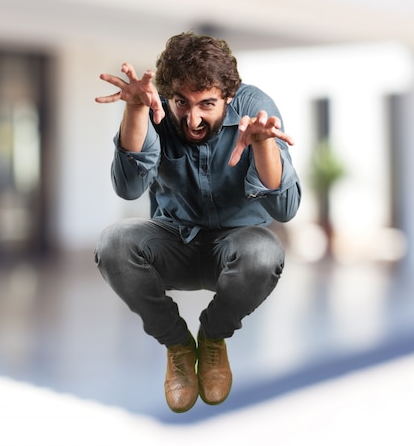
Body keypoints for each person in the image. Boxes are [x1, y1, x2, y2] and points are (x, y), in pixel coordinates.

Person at [94, 32, 301, 413]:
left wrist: (262, 144)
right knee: (113, 243)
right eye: (182, 103)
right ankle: (177, 344)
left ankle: (212, 339)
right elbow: (128, 188)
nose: (193, 118)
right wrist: (137, 111)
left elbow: (286, 209)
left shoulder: (254, 107)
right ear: (168, 95)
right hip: (176, 242)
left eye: (207, 104)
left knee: (263, 251)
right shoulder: (155, 112)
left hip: (236, 249)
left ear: (228, 95)